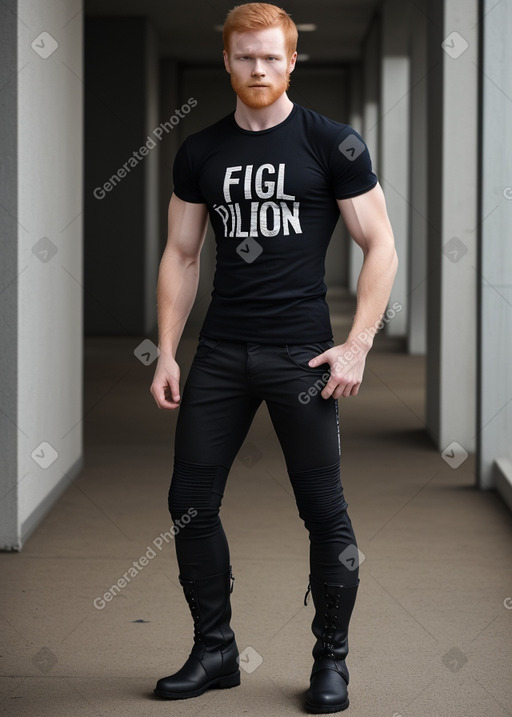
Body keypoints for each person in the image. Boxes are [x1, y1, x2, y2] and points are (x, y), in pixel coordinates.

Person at [150, 3, 398, 713]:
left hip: (305, 354)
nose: (257, 68)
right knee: (189, 502)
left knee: (324, 510)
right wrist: (167, 350)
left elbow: (381, 245)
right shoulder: (200, 151)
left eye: (270, 56)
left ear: (293, 60)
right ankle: (215, 649)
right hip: (223, 351)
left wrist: (357, 345)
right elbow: (182, 252)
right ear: (226, 61)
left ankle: (332, 661)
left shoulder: (333, 145)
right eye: (243, 56)